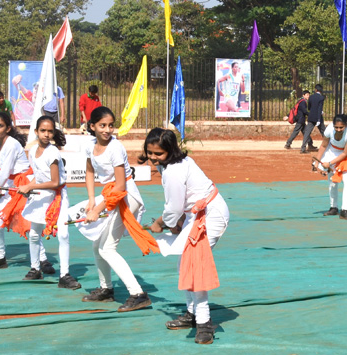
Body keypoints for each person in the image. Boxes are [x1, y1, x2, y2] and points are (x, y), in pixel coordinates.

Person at [139, 128, 230, 345]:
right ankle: (192, 314)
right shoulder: (170, 164)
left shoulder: (173, 171)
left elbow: (173, 207)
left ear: (170, 151)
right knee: (184, 266)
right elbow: (180, 207)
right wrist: (177, 223)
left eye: (158, 154)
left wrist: (159, 224)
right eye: (150, 152)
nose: (153, 158)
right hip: (196, 215)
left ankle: (205, 323)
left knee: (194, 267)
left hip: (209, 217)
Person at [71, 106, 158, 312]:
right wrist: (91, 200)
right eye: (102, 125)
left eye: (111, 125)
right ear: (92, 126)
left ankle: (138, 294)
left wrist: (97, 209)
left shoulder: (115, 147)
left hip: (127, 196)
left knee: (107, 248)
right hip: (111, 196)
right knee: (97, 246)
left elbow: (120, 186)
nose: (107, 130)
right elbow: (90, 171)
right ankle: (106, 289)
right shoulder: (89, 145)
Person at [0, 112, 56, 275]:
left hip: (22, 185)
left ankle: (42, 259)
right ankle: (0, 256)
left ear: (8, 128)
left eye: (0, 126)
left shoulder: (11, 144)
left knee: (29, 223)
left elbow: (5, 169)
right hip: (8, 185)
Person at [18, 116, 81, 289]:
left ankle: (64, 275)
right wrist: (28, 187)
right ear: (36, 131)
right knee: (33, 234)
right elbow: (38, 176)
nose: (46, 134)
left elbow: (55, 183)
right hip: (40, 195)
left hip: (57, 197)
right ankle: (35, 268)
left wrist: (31, 186)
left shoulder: (52, 152)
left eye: (50, 131)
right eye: (43, 130)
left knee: (63, 234)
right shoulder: (32, 152)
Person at [313, 113, 347, 220]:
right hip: (332, 152)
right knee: (332, 181)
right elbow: (324, 145)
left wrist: (329, 163)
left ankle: (345, 210)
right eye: (336, 127)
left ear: (346, 125)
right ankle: (333, 207)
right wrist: (317, 163)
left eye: (341, 127)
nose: (338, 129)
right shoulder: (329, 129)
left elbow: (345, 154)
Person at [301, 84, 326, 154]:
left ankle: (303, 148)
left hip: (311, 117)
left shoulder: (311, 97)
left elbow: (309, 107)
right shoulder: (321, 98)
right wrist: (318, 119)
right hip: (318, 118)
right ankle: (329, 147)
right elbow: (319, 109)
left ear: (315, 90)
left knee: (307, 133)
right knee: (325, 133)